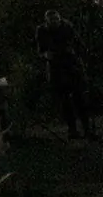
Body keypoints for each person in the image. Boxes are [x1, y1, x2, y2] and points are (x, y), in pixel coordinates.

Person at [35, 11, 94, 139]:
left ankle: (87, 129)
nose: (55, 22)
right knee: (65, 101)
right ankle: (72, 130)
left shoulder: (67, 27)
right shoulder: (42, 31)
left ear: (60, 19)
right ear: (47, 21)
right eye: (52, 20)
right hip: (56, 67)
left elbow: (79, 44)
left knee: (80, 98)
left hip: (72, 64)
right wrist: (46, 55)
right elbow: (40, 51)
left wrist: (80, 58)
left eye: (57, 19)